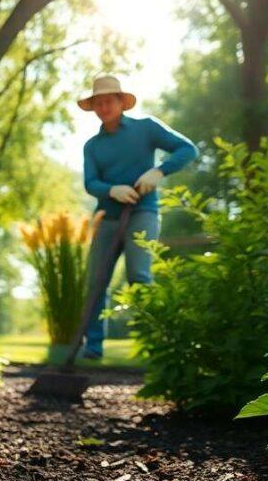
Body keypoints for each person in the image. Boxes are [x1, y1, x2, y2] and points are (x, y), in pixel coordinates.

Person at [78, 75, 198, 360]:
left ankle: (155, 344)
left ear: (121, 102)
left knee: (139, 276)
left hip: (143, 212)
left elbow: (188, 149)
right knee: (96, 281)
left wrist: (159, 171)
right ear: (93, 107)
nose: (104, 106)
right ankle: (93, 347)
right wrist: (112, 190)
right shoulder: (92, 146)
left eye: (109, 100)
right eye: (98, 102)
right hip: (106, 217)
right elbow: (90, 183)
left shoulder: (146, 129)